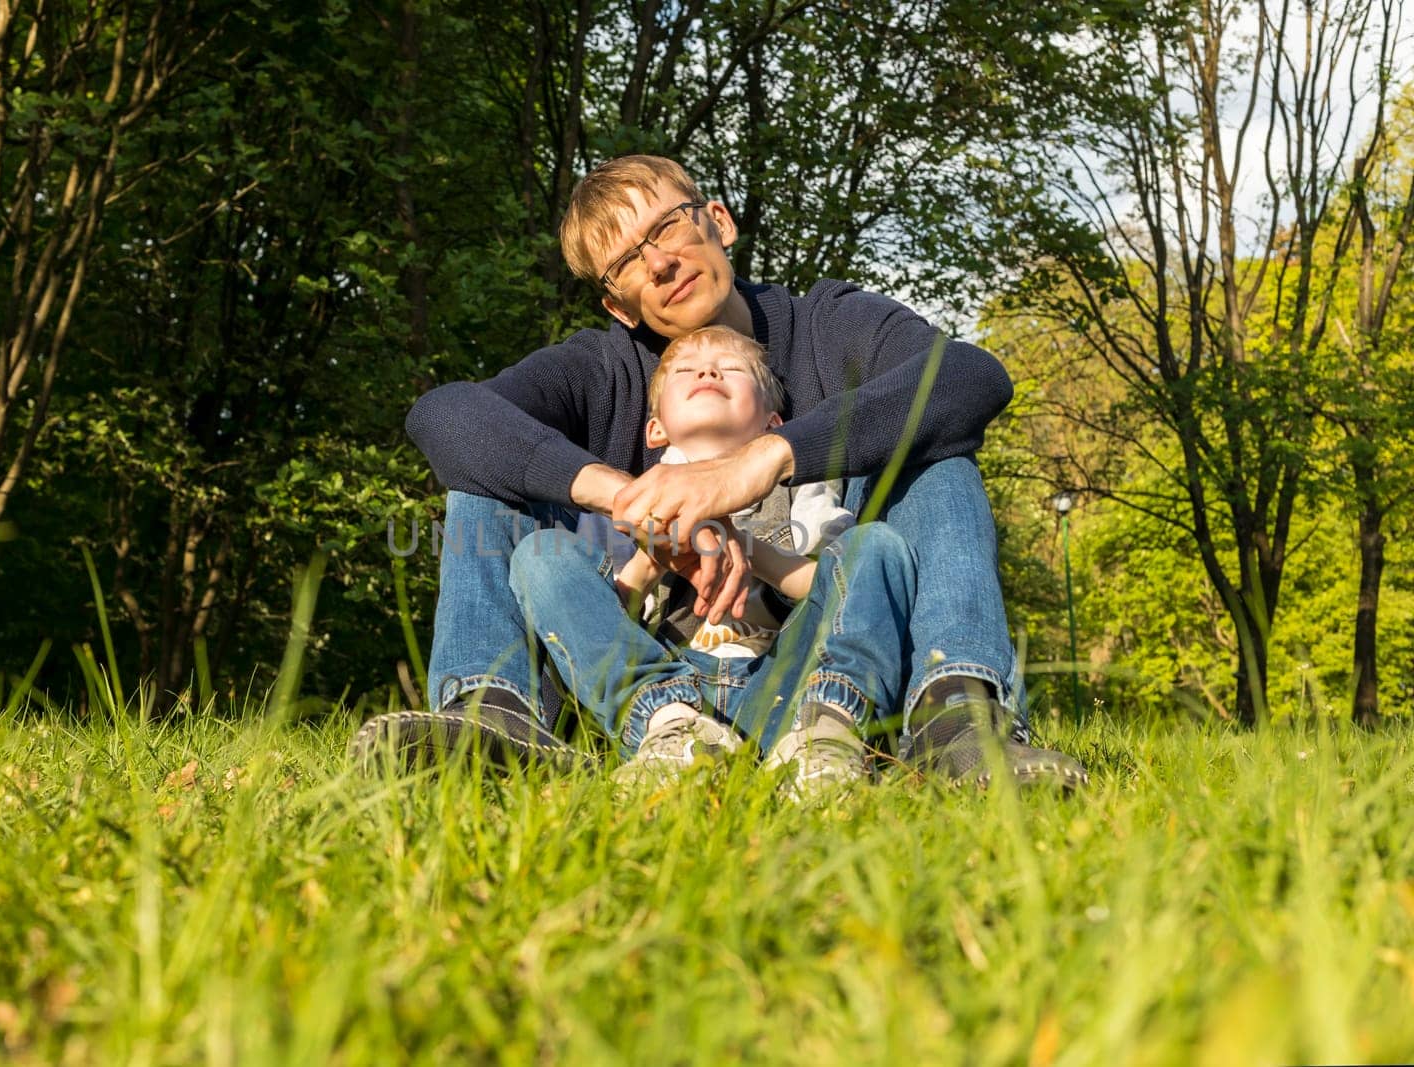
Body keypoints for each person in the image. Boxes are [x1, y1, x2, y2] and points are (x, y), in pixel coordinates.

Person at [351, 154, 1085, 789]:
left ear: (719, 222)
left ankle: (956, 717)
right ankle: (497, 719)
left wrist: (761, 462)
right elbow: (444, 415)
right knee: (488, 470)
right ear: (618, 304)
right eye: (627, 261)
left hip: (805, 663)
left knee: (934, 444)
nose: (659, 261)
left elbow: (970, 376)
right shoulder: (602, 368)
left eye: (666, 227)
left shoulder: (825, 322)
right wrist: (631, 498)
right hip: (647, 687)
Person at [511, 325, 914, 796]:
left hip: (784, 685)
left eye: (732, 369)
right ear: (656, 428)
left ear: (773, 423)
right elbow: (600, 620)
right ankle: (672, 733)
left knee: (878, 545)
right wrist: (657, 553)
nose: (706, 371)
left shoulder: (803, 488)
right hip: (673, 686)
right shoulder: (628, 500)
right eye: (686, 369)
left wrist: (743, 543)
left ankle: (826, 737)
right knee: (542, 554)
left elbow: (840, 588)